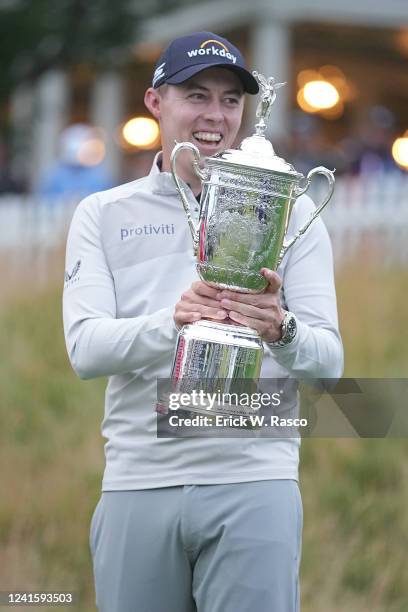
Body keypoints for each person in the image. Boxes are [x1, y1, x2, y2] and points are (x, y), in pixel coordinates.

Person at [63, 32, 343, 612]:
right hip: (139, 481)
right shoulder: (103, 213)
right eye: (197, 95)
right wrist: (175, 322)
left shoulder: (291, 214)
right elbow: (85, 349)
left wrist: (282, 330)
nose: (216, 116)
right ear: (155, 102)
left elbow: (330, 364)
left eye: (231, 101)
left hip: (255, 479)